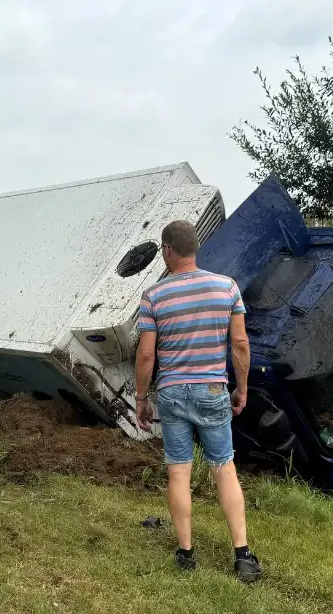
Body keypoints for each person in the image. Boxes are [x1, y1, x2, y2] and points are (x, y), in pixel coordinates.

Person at [134, 219, 261, 583]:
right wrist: (242, 387)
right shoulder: (227, 288)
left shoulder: (154, 295)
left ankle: (187, 553)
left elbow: (146, 357)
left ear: (167, 251)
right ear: (195, 248)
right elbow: (240, 344)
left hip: (172, 392)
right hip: (211, 390)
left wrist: (142, 398)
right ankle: (243, 556)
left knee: (179, 470)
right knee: (224, 468)